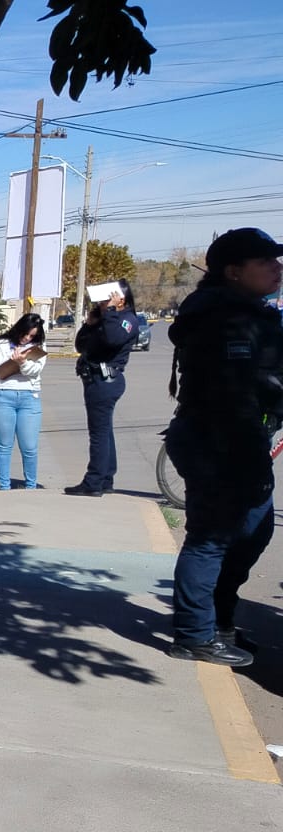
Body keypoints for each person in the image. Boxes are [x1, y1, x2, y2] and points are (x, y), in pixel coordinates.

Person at [163, 228, 283, 666]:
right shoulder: (225, 316)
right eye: (265, 261)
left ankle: (219, 622)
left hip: (243, 438)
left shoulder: (249, 311)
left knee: (253, 533)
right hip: (220, 441)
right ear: (234, 272)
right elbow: (241, 389)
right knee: (211, 539)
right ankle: (194, 635)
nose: (277, 268)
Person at [66, 280, 143, 496]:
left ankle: (94, 482)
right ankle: (106, 478)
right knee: (105, 431)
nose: (103, 303)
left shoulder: (127, 320)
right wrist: (89, 325)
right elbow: (81, 346)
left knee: (98, 434)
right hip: (93, 378)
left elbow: (112, 339)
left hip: (106, 379)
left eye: (108, 299)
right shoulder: (105, 319)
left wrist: (110, 311)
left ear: (122, 299)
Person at [0, 313, 47, 490]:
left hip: (29, 397)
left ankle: (31, 486)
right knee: (4, 444)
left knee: (30, 446)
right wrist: (11, 360)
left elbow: (35, 370)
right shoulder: (0, 343)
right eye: (25, 333)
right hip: (2, 395)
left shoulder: (38, 347)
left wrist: (22, 362)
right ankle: (4, 487)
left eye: (32, 336)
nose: (27, 338)